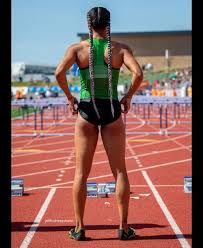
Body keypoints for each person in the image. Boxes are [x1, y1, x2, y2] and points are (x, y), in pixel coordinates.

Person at [55, 6, 143, 241]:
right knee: (120, 171)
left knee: (81, 173)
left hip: (86, 110)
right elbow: (139, 74)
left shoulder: (78, 49)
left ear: (88, 24)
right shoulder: (121, 49)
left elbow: (58, 73)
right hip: (112, 110)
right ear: (108, 24)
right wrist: (129, 96)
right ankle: (123, 228)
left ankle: (79, 228)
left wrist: (70, 98)